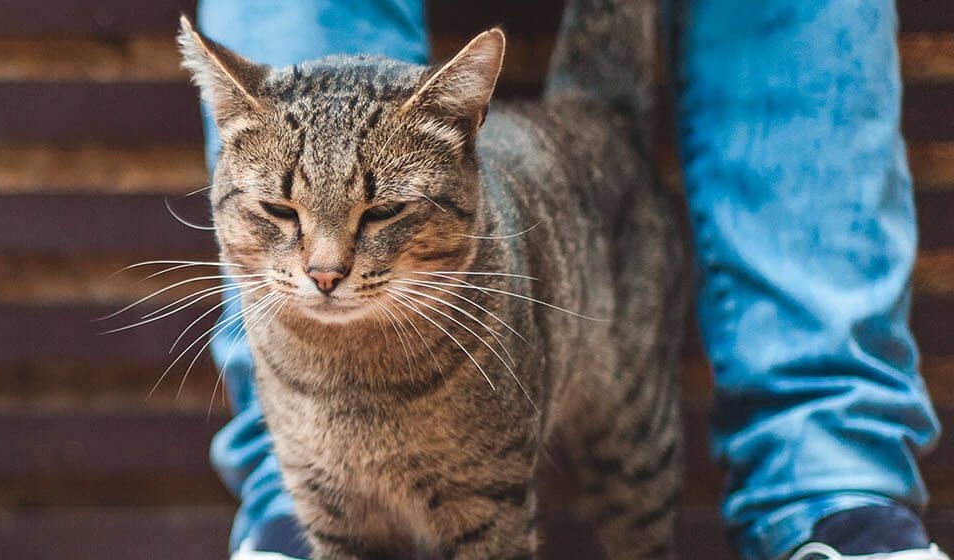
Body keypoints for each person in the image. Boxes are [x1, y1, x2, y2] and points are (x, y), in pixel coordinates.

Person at [195, 1, 945, 559]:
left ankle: (827, 490)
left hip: (597, 231)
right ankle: (293, 517)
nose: (326, 267)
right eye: (278, 212)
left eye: (380, 212)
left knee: (632, 477)